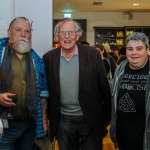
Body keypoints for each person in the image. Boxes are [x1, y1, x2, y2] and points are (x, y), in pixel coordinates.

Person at [43, 18, 111, 150]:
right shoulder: (48, 58)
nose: (67, 37)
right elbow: (46, 91)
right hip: (63, 120)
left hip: (90, 118)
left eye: (71, 32)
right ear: (57, 36)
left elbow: (104, 88)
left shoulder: (92, 54)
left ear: (78, 35)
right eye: (62, 33)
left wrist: (106, 119)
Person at [0, 16, 49, 150]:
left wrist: (44, 119)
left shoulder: (37, 60)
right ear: (9, 32)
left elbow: (44, 92)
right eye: (18, 30)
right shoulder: (0, 52)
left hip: (29, 125)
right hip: (3, 127)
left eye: (27, 31)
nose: (23, 34)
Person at [110, 32, 150, 150]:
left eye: (139, 48)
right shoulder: (120, 70)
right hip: (123, 135)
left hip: (145, 136)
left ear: (147, 50)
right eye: (130, 49)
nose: (134, 53)